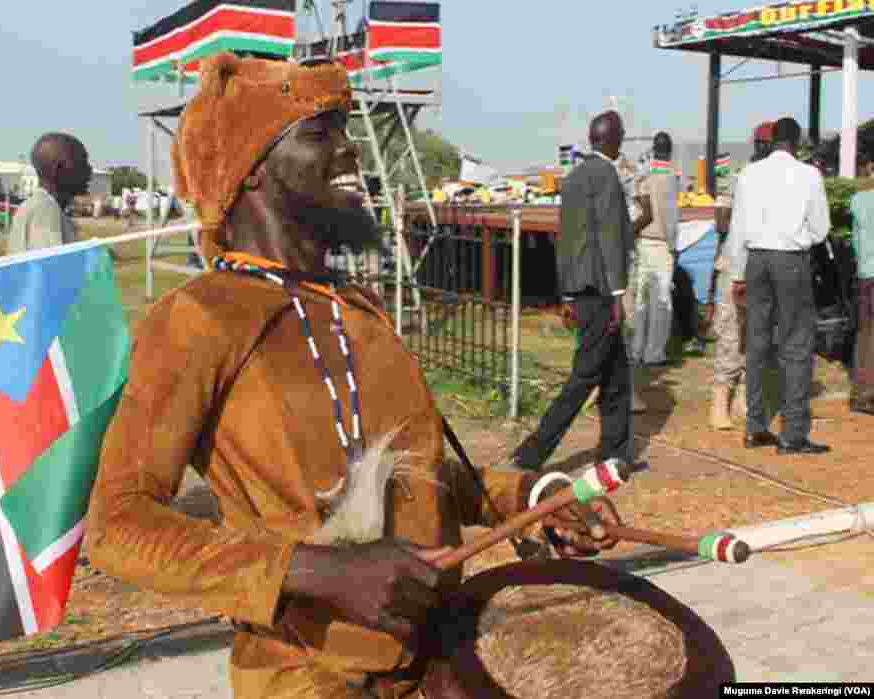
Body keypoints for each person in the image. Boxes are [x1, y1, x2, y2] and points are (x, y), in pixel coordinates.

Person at [85, 54, 621, 699]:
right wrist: (316, 570)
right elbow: (118, 525)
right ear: (248, 172)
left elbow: (411, 479)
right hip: (307, 677)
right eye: (320, 133)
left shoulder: (355, 307)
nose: (349, 152)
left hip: (440, 661)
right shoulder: (199, 317)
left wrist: (532, 497)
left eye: (345, 130)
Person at [510, 111, 636, 470]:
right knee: (583, 379)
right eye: (621, 134)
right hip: (600, 292)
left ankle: (614, 454)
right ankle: (532, 452)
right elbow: (611, 239)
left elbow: (567, 240)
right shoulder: (607, 175)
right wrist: (617, 295)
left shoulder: (576, 176)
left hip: (579, 289)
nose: (623, 140)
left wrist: (566, 295)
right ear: (611, 139)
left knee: (617, 378)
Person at [729, 117, 831, 454]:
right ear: (798, 142)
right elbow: (820, 230)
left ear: (771, 140)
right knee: (797, 345)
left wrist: (738, 274)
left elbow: (738, 227)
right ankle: (792, 434)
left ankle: (755, 427)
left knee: (757, 344)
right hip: (791, 261)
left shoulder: (749, 174)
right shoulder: (809, 175)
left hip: (756, 261)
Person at [707, 121, 774, 430]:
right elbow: (721, 222)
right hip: (735, 263)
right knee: (730, 334)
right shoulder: (738, 179)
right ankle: (720, 401)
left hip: (765, 266)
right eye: (763, 143)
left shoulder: (780, 182)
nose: (766, 149)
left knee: (758, 337)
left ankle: (743, 399)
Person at [629, 133, 679, 366]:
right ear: (670, 151)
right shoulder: (669, 177)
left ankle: (636, 350)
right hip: (660, 244)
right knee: (661, 302)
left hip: (642, 242)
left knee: (641, 300)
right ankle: (654, 353)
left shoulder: (643, 176)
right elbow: (670, 217)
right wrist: (674, 246)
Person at [7, 133, 91, 254]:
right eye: (82, 163)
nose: (89, 170)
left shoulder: (37, 205)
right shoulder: (45, 209)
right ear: (59, 170)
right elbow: (51, 269)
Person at [849, 157, 874, 415]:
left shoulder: (858, 200)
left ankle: (861, 394)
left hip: (866, 273)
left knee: (866, 333)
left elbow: (857, 241)